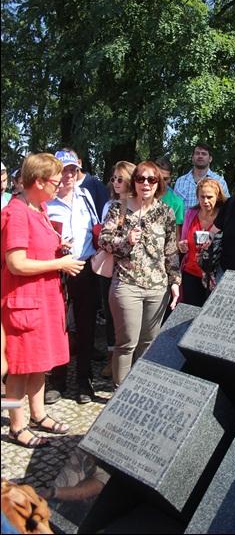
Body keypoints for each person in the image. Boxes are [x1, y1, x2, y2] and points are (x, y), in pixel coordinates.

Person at [1, 153, 85, 448]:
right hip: (24, 303)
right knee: (19, 369)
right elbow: (16, 263)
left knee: (39, 363)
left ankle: (37, 414)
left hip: (42, 300)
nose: (59, 186)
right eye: (55, 181)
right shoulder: (16, 213)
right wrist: (59, 264)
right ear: (37, 182)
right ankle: (16, 425)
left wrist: (58, 247)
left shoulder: (39, 208)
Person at [98, 161, 181, 387]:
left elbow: (170, 251)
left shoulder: (166, 212)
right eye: (140, 178)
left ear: (158, 183)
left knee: (148, 343)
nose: (146, 183)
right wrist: (126, 241)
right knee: (127, 343)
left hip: (157, 287)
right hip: (127, 283)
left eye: (151, 179)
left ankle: (140, 389)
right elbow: (103, 239)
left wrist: (175, 281)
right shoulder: (119, 207)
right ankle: (120, 392)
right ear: (134, 181)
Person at [46, 150, 100, 405]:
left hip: (84, 267)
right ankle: (57, 380)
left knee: (86, 326)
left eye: (72, 170)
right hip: (57, 269)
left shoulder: (85, 196)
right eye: (63, 170)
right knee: (59, 326)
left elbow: (96, 227)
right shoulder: (47, 202)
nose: (68, 175)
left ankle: (84, 381)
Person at [99, 160, 136, 378]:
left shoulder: (140, 205)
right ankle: (111, 358)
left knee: (128, 318)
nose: (115, 182)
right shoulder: (110, 206)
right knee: (110, 313)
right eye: (113, 178)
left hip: (132, 269)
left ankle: (131, 361)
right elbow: (104, 238)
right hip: (110, 266)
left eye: (120, 179)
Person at [178, 178, 227, 306]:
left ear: (218, 196)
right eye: (202, 197)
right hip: (190, 273)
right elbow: (183, 241)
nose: (205, 201)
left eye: (209, 197)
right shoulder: (191, 213)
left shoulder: (224, 216)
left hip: (215, 277)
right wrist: (182, 246)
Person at [174, 143, 230, 211]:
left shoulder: (219, 182)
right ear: (192, 158)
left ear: (210, 159)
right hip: (185, 218)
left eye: (204, 154)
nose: (200, 156)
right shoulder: (180, 182)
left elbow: (226, 208)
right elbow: (175, 208)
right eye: (197, 153)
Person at [155, 156, 185, 244]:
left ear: (170, 179)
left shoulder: (177, 202)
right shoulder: (141, 196)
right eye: (158, 178)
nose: (161, 182)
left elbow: (176, 235)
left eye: (165, 179)